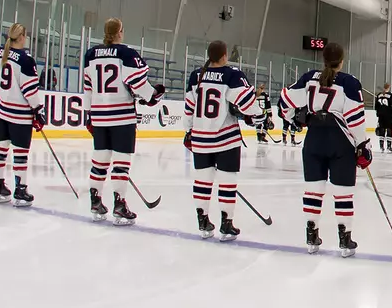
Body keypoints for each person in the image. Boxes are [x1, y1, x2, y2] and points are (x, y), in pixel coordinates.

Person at [282, 42, 375, 258]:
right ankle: (345, 240)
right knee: (343, 193)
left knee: (313, 190)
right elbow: (355, 120)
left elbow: (285, 101)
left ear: (323, 59)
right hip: (339, 141)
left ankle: (311, 237)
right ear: (341, 61)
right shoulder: (349, 83)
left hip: (314, 139)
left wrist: (294, 120)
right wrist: (363, 145)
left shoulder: (309, 78)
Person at [81, 18, 165, 224]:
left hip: (99, 116)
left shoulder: (91, 54)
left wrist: (88, 114)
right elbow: (137, 82)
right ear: (119, 32)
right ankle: (119, 205)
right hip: (121, 117)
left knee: (99, 161)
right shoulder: (126, 53)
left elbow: (88, 87)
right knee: (121, 163)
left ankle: (95, 201)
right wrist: (153, 96)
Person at [184, 41, 259, 240]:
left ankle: (203, 221)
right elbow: (247, 104)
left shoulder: (196, 75)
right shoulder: (232, 75)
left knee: (202, 181)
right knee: (227, 181)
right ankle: (227, 223)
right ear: (224, 55)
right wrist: (258, 114)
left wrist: (188, 131)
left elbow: (189, 107)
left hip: (201, 138)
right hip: (226, 138)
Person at [0, 23, 43, 207]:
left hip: (0, 110)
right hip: (19, 115)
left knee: (0, 148)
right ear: (22, 37)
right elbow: (30, 91)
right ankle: (20, 189)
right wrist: (38, 111)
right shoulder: (26, 60)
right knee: (20, 153)